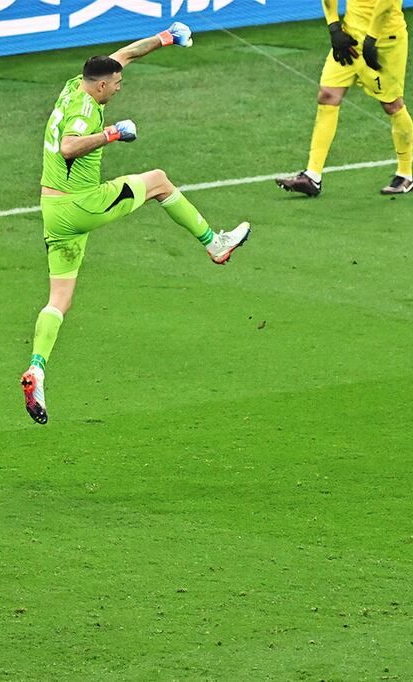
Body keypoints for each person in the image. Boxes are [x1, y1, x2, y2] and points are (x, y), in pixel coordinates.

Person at [21, 23, 251, 425]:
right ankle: (215, 243)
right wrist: (112, 134)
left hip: (53, 213)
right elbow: (70, 145)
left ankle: (37, 368)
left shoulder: (75, 84)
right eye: (116, 85)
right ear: (100, 87)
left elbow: (123, 55)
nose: (120, 88)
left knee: (59, 299)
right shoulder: (85, 108)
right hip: (81, 205)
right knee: (159, 181)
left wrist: (164, 39)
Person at [276, 0, 413, 196]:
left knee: (392, 105)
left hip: (385, 40)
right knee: (327, 94)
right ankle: (312, 176)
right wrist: (334, 28)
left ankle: (405, 174)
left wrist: (371, 38)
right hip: (350, 38)